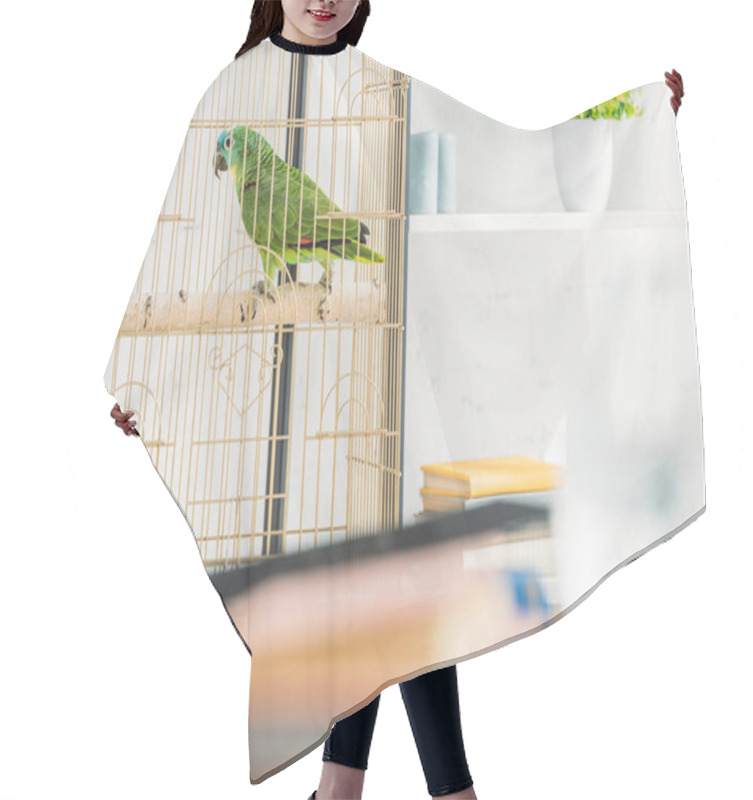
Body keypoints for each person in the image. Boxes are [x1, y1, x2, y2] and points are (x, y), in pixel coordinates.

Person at [111, 2, 685, 798]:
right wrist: (148, 380)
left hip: (379, 380)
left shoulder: (382, 92)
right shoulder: (231, 94)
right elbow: (190, 252)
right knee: (357, 583)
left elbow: (498, 164)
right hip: (285, 405)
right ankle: (407, 788)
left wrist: (626, 122)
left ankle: (360, 788)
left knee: (398, 575)